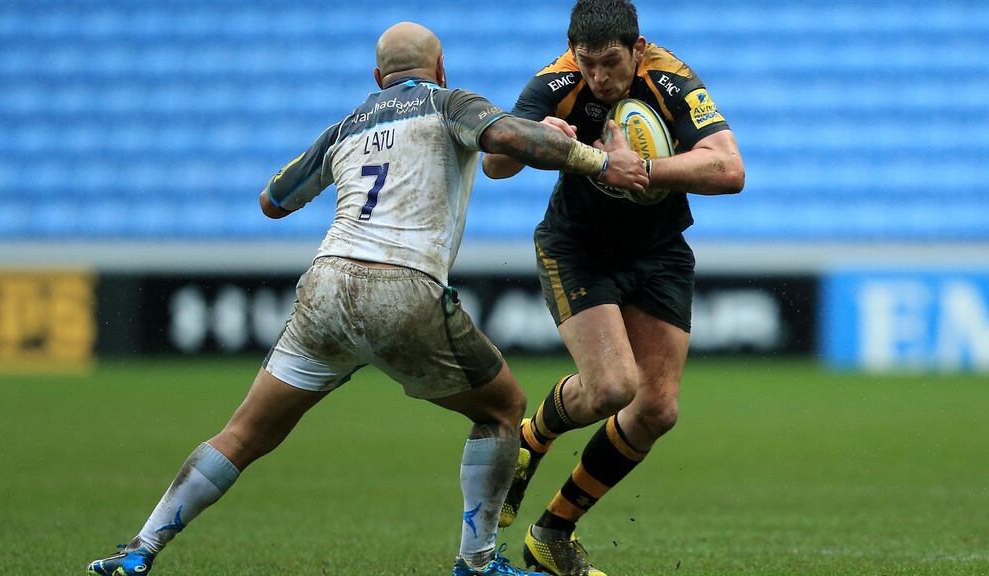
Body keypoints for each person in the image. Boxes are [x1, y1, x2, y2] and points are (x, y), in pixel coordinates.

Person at [86, 21, 649, 576]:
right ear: (441, 67)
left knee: (244, 433)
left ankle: (138, 549)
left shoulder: (346, 125)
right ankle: (477, 563)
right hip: (402, 286)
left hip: (326, 286)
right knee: (502, 409)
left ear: (378, 75)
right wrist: (600, 161)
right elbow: (508, 139)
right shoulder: (451, 102)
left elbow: (272, 200)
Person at [482, 1, 746, 575]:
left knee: (656, 408)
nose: (599, 77)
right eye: (588, 63)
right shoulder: (559, 80)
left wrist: (646, 171)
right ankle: (532, 438)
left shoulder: (669, 76)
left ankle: (551, 532)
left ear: (637, 48)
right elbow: (493, 166)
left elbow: (730, 169)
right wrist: (535, 140)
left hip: (658, 251)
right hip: (579, 249)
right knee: (610, 389)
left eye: (611, 63)